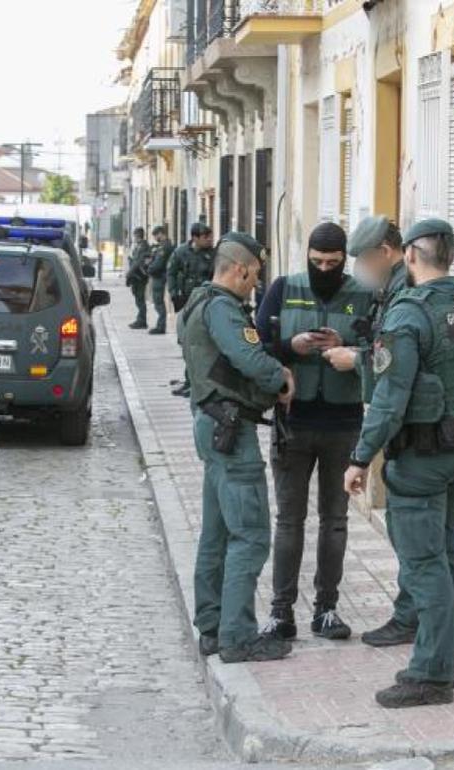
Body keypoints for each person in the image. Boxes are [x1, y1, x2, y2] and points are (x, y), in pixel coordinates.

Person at [343, 218, 454, 708]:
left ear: (409, 255)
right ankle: (450, 658)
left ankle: (430, 672)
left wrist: (360, 457)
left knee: (424, 562)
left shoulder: (408, 314)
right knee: (448, 554)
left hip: (422, 457)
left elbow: (389, 397)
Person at [177, 232, 295, 664]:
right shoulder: (224, 309)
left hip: (210, 426)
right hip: (230, 432)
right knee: (250, 534)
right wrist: (280, 377)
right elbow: (248, 359)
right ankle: (238, 636)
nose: (256, 284)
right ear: (241, 269)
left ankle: (211, 626)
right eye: (255, 275)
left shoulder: (196, 302)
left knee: (218, 533)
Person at [254, 222, 371, 641]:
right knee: (289, 520)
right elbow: (258, 345)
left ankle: (327, 609)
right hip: (294, 423)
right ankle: (281, 612)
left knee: (335, 520)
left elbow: (379, 351)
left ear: (344, 260)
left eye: (332, 263)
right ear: (307, 255)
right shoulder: (284, 288)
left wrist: (350, 346)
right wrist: (292, 347)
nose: (323, 269)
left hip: (343, 425)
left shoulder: (364, 295)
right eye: (317, 261)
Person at [324, 216, 420, 648]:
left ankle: (419, 629)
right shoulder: (394, 291)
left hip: (415, 432)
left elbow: (395, 370)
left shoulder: (407, 296)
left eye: (364, 258)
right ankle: (418, 622)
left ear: (386, 251)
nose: (360, 268)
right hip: (415, 428)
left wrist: (356, 361)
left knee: (415, 540)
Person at [169, 223, 216, 397]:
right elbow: (171, 273)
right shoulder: (181, 253)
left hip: (206, 305)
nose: (210, 240)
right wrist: (174, 293)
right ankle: (190, 381)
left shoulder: (214, 254)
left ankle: (199, 384)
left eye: (210, 236)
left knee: (202, 345)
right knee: (186, 343)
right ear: (195, 238)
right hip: (186, 304)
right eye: (206, 237)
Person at [147, 225, 174, 335]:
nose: (155, 238)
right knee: (157, 301)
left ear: (161, 234)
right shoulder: (161, 246)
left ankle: (161, 326)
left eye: (156, 236)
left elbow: (159, 263)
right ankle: (160, 325)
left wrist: (149, 269)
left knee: (158, 301)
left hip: (159, 276)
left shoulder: (165, 247)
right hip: (158, 276)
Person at [125, 227, 151, 329]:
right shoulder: (139, 246)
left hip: (140, 277)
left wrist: (129, 273)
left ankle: (142, 321)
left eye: (135, 235)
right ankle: (140, 319)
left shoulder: (143, 246)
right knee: (138, 299)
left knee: (140, 299)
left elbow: (138, 262)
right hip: (136, 277)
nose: (134, 238)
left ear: (137, 235)